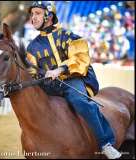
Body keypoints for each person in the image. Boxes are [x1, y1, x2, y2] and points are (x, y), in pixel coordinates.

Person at [26, 1, 121, 159]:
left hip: (72, 80)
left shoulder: (70, 36)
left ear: (49, 16)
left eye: (37, 13)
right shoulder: (31, 47)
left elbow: (81, 58)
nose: (33, 17)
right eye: (32, 14)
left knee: (81, 102)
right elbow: (32, 70)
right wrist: (41, 75)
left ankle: (106, 144)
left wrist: (60, 69)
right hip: (49, 85)